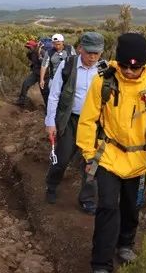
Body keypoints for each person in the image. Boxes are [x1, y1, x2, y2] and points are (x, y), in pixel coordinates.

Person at [76, 32, 146, 273]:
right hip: (108, 156)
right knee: (108, 207)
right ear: (118, 62)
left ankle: (126, 244)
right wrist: (89, 154)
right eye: (125, 66)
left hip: (139, 160)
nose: (130, 71)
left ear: (143, 64)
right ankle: (100, 267)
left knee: (131, 208)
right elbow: (87, 121)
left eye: (136, 67)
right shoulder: (103, 82)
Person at [44, 32, 105, 213]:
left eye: (97, 53)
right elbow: (54, 95)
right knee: (61, 159)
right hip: (71, 120)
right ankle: (52, 186)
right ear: (80, 49)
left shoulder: (105, 69)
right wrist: (50, 122)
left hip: (94, 124)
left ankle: (87, 199)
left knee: (92, 162)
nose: (93, 57)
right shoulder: (68, 65)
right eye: (89, 53)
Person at [39, 34, 74, 107]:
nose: (57, 46)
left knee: (67, 98)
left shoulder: (70, 49)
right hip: (54, 79)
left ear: (63, 42)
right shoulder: (49, 52)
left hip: (68, 79)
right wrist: (41, 79)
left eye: (59, 44)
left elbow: (75, 60)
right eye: (54, 44)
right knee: (53, 98)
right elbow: (44, 65)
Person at [16, 39, 42, 107]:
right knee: (26, 83)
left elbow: (45, 65)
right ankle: (21, 100)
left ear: (34, 47)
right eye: (28, 47)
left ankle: (49, 107)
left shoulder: (41, 52)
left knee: (45, 91)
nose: (28, 48)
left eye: (29, 47)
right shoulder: (31, 54)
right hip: (35, 73)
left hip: (43, 75)